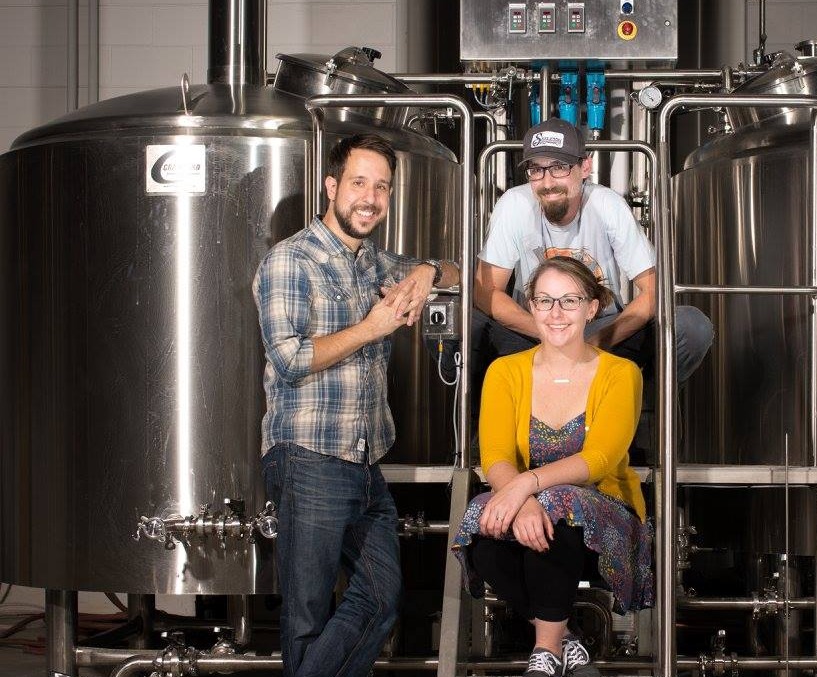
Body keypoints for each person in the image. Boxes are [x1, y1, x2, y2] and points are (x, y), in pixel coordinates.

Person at [254, 133, 460, 677]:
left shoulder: (376, 263)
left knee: (382, 598)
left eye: (382, 188)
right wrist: (371, 328)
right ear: (331, 186)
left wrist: (427, 271)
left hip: (366, 462)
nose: (370, 198)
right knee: (307, 617)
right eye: (359, 183)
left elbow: (457, 273)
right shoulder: (290, 260)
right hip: (309, 457)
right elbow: (290, 359)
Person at [452, 256, 654, 677]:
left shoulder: (621, 373)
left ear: (591, 308)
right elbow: (496, 456)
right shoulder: (504, 371)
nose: (556, 313)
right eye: (544, 301)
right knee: (483, 526)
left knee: (557, 505)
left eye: (569, 301)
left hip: (603, 514)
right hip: (529, 505)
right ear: (531, 306)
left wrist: (525, 487)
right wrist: (523, 499)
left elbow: (599, 459)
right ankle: (566, 641)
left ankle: (544, 655)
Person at [475, 117, 713, 381]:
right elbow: (485, 291)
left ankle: (639, 401)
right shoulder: (515, 204)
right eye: (536, 169)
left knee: (691, 326)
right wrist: (546, 330)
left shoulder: (607, 204)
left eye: (559, 167)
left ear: (585, 167)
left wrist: (597, 341)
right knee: (464, 326)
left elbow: (655, 290)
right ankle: (491, 405)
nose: (547, 182)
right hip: (533, 331)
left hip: (599, 328)